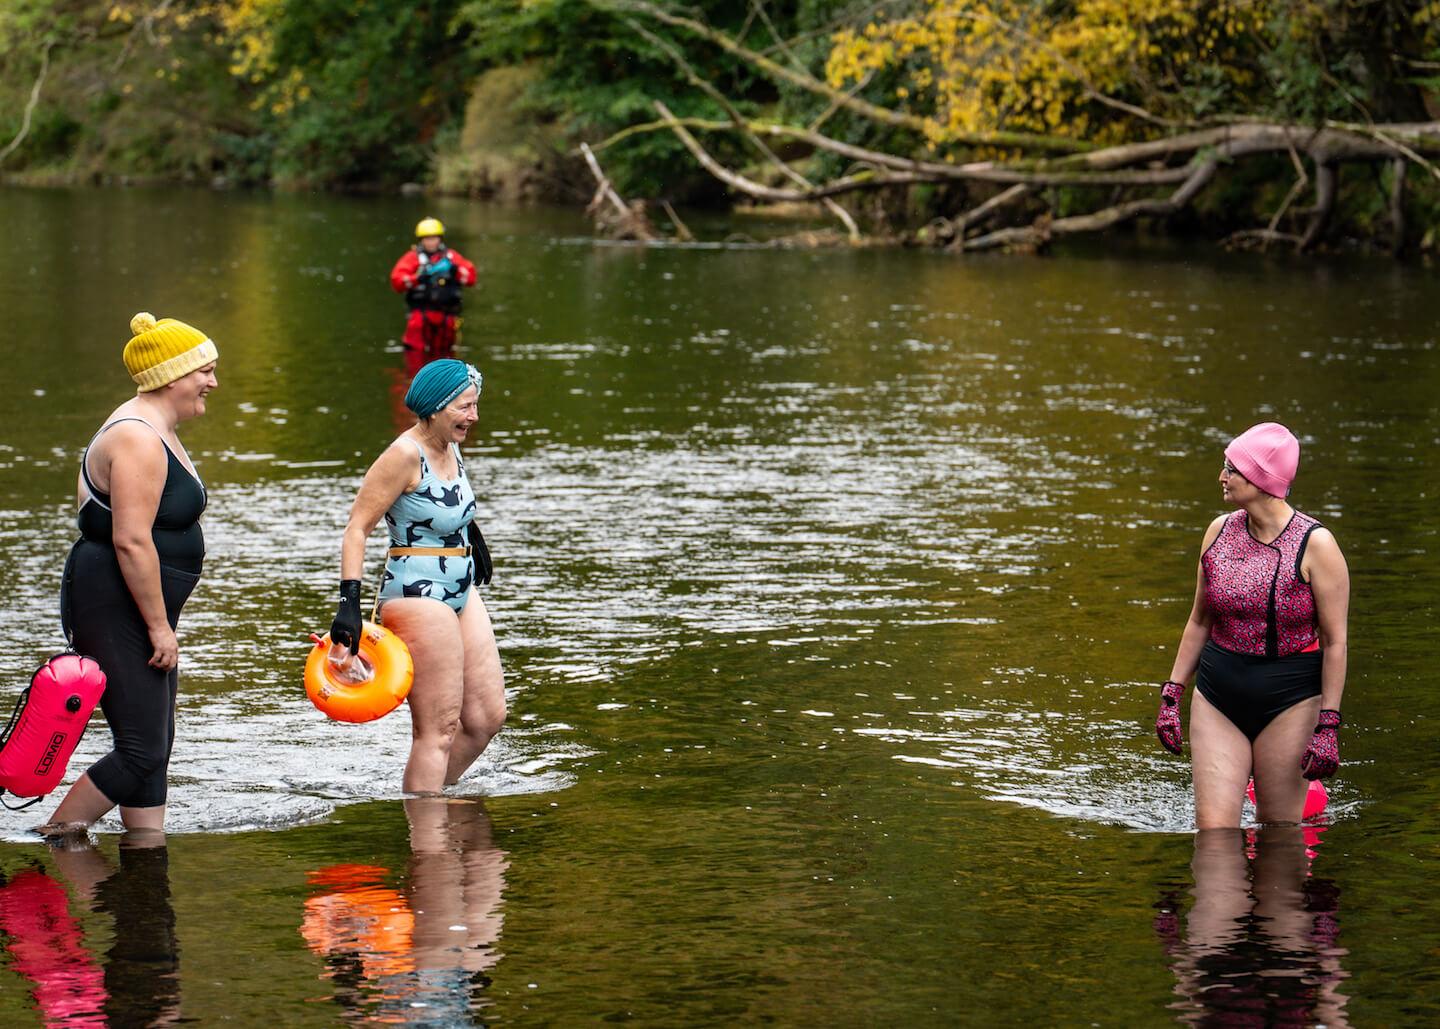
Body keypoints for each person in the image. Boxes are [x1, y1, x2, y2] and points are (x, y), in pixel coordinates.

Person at [39, 313, 219, 835]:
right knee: (141, 749)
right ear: (172, 376)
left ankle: (145, 854)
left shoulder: (156, 428)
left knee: (155, 746)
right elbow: (131, 540)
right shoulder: (137, 437)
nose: (212, 382)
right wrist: (159, 627)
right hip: (115, 602)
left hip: (133, 603)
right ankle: (51, 840)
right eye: (205, 371)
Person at [1154, 422, 1350, 829]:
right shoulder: (1218, 532)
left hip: (1290, 700)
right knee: (1213, 837)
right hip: (1218, 693)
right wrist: (1172, 694)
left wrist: (1328, 724)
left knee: (1279, 836)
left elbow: (1335, 642)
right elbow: (1199, 620)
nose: (1221, 476)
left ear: (1261, 480)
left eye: (1232, 469)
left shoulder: (1317, 545)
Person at [331, 359, 505, 793]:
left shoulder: (451, 444)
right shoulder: (404, 455)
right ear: (435, 408)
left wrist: (472, 535)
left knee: (486, 718)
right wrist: (349, 605)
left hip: (460, 583)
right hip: (416, 592)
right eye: (465, 407)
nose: (474, 416)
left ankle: (429, 802)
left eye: (475, 405)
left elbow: (439, 505)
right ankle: (428, 827)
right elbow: (356, 529)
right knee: (438, 729)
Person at [389, 217, 477, 359]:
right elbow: (397, 282)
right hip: (421, 315)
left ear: (440, 239)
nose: (431, 242)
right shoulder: (412, 258)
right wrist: (418, 278)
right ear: (421, 240)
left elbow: (471, 278)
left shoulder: (452, 257)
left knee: (446, 356)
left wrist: (456, 271)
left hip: (447, 316)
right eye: (427, 239)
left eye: (434, 238)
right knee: (415, 353)